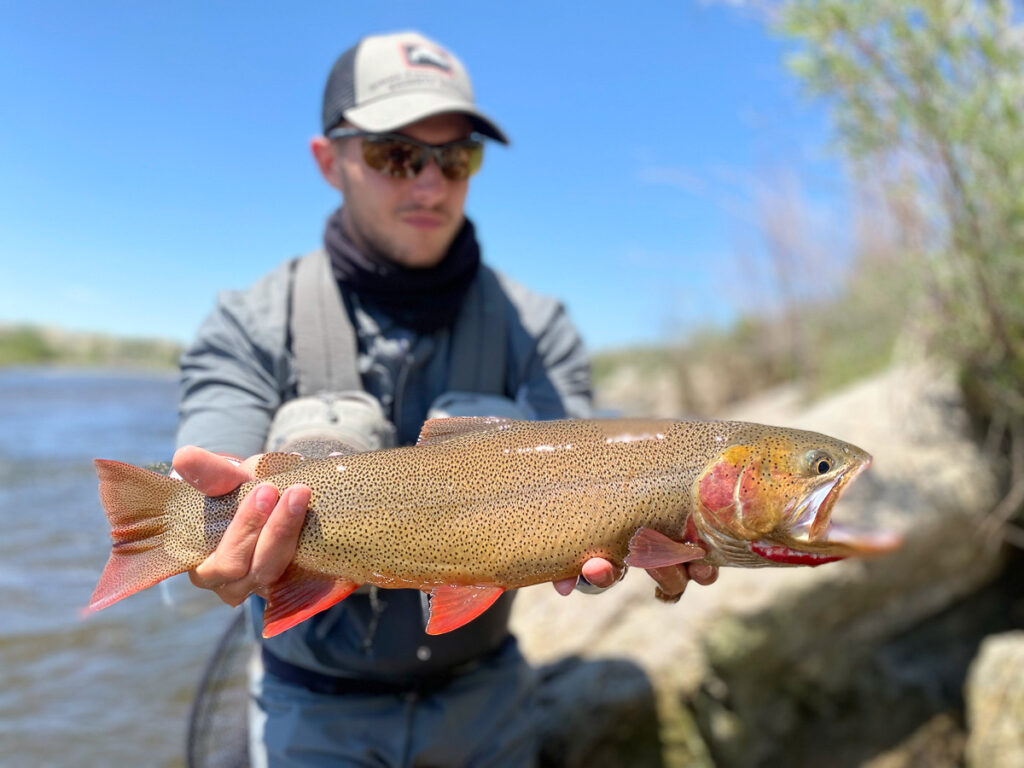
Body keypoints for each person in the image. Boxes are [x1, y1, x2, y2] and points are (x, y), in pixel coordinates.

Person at [172, 30, 715, 767]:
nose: (430, 184)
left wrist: (644, 534)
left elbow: (593, 520)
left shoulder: (540, 330)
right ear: (330, 161)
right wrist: (197, 528)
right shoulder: (248, 322)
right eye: (396, 154)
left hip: (486, 704)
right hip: (309, 709)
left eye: (456, 157)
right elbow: (209, 469)